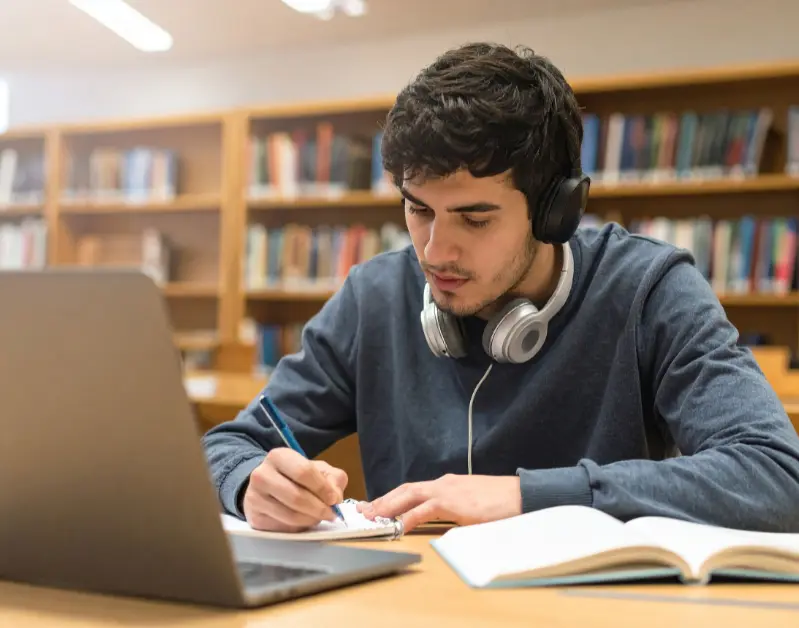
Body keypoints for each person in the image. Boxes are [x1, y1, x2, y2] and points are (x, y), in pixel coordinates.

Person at [201, 42, 799, 535]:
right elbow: (224, 447)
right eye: (418, 211)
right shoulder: (375, 295)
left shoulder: (648, 289)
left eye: (475, 219)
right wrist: (251, 481)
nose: (434, 251)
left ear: (555, 211)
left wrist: (531, 494)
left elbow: (776, 478)